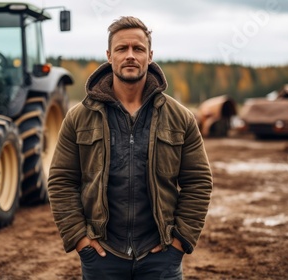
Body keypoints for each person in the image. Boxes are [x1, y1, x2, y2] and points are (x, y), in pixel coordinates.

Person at [47, 16, 213, 279]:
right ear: (109, 56)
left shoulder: (180, 117)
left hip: (161, 258)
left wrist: (180, 240)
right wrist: (79, 239)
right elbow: (61, 181)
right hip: (102, 256)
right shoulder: (79, 117)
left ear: (150, 56)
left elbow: (199, 181)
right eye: (122, 49)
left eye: (138, 49)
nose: (130, 56)